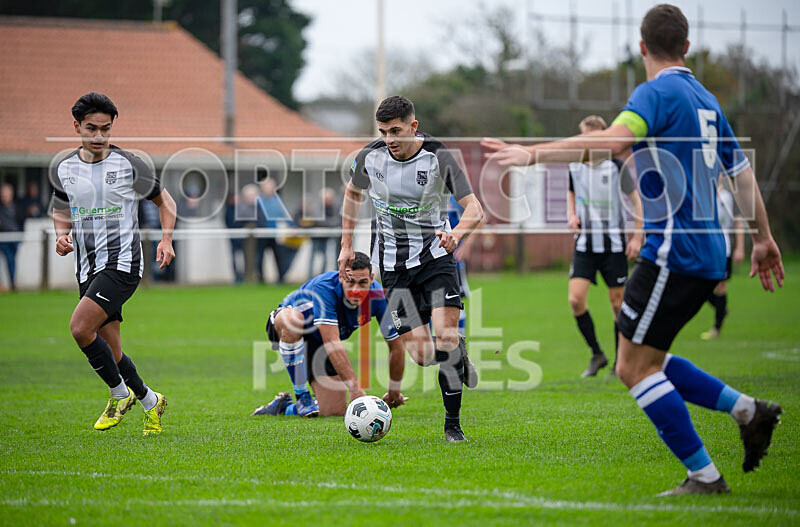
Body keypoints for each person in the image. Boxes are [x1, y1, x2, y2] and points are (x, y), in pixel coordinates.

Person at [482, 4, 783, 494]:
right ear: (687, 47)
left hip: (673, 254)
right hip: (709, 252)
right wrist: (762, 237)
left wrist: (532, 153)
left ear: (641, 47)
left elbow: (613, 141)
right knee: (649, 358)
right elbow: (741, 175)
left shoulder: (656, 92)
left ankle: (705, 476)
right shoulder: (706, 99)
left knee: (632, 367)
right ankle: (748, 411)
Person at [339, 95, 484, 442]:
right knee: (420, 354)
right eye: (383, 131)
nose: (389, 139)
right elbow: (352, 195)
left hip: (436, 260)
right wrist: (346, 244)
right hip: (393, 269)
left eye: (396, 131)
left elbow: (475, 209)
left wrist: (456, 236)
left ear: (413, 127)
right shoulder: (370, 156)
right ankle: (457, 353)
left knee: (445, 338)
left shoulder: (438, 156)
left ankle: (453, 426)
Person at [51, 92, 177, 435]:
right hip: (87, 268)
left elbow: (165, 202)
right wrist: (61, 235)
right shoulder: (65, 168)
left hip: (122, 264)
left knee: (80, 328)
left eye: (105, 129)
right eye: (91, 128)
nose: (98, 136)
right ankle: (151, 401)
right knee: (113, 350)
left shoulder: (128, 163)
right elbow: (61, 210)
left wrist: (166, 239)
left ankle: (119, 394)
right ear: (76, 126)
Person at [253, 252, 407, 417]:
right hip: (288, 326)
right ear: (341, 276)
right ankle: (302, 396)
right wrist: (355, 387)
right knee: (293, 320)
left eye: (363, 283)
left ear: (371, 277)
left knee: (334, 411)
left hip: (321, 341)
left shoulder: (378, 296)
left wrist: (393, 391)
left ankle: (284, 407)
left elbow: (396, 347)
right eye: (351, 282)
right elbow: (332, 342)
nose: (356, 290)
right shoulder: (325, 287)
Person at [566, 115, 644, 378]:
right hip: (585, 245)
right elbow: (572, 193)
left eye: (592, 136)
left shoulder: (616, 167)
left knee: (617, 304)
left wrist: (636, 237)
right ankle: (597, 353)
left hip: (613, 246)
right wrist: (571, 214)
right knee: (575, 300)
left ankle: (621, 362)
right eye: (583, 136)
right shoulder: (575, 166)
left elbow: (637, 202)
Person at [701, 179, 745, 339]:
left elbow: (738, 222)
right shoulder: (702, 196)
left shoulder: (727, 197)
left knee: (721, 285)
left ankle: (717, 328)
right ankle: (721, 307)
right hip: (705, 247)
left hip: (722, 247)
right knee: (699, 284)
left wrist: (739, 248)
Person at [255, 178, 294, 283]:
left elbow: (284, 215)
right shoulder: (258, 201)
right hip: (261, 234)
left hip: (274, 233)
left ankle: (281, 278)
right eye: (267, 187)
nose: (269, 189)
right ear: (262, 188)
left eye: (271, 187)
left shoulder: (277, 200)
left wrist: (292, 225)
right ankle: (260, 279)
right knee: (259, 258)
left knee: (279, 257)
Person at [0, 183, 21, 291]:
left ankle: (12, 283)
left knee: (12, 260)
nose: (4, 196)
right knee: (7, 258)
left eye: (6, 194)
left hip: (15, 237)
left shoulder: (16, 207)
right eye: (3, 194)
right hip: (3, 238)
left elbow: (22, 221)